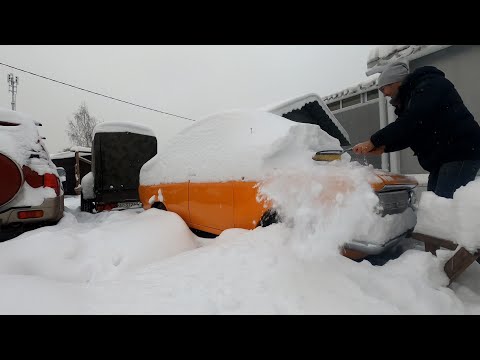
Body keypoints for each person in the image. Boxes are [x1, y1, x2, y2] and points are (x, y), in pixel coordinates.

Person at [353, 61, 480, 199]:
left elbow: (411, 120)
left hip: (460, 152)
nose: (384, 94)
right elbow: (413, 133)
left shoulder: (430, 85)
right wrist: (385, 147)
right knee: (433, 206)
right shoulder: (413, 97)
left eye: (383, 89)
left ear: (396, 82)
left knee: (443, 206)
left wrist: (373, 141)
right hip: (444, 158)